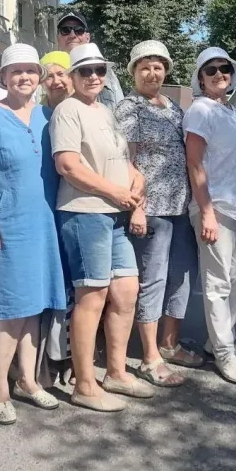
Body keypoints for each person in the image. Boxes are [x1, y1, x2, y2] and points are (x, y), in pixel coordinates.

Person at [0, 44, 67, 425]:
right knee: (10, 311)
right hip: (8, 223)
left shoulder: (48, 115)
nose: (24, 77)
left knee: (36, 307)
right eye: (16, 71)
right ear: (3, 77)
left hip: (44, 223)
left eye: (30, 70)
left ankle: (27, 380)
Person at [50, 43, 149, 411]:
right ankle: (85, 384)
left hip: (116, 214)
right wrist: (119, 193)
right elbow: (69, 166)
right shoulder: (68, 110)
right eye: (85, 71)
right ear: (73, 76)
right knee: (91, 297)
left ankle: (117, 372)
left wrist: (135, 185)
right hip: (86, 212)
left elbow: (123, 160)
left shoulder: (106, 112)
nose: (93, 76)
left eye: (98, 70)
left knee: (125, 292)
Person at [115, 41, 202, 388]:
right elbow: (128, 160)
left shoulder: (173, 107)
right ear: (133, 72)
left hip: (180, 206)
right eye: (144, 67)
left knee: (181, 277)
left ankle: (170, 343)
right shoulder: (129, 108)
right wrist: (137, 206)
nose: (152, 73)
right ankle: (150, 356)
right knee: (153, 280)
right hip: (151, 209)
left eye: (158, 66)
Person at [184, 47, 236, 385]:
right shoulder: (200, 110)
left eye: (223, 69)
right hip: (215, 209)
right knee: (217, 283)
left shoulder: (229, 111)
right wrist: (208, 212)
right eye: (210, 70)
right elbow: (195, 164)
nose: (218, 75)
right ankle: (225, 354)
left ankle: (218, 341)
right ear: (200, 78)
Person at [56, 11, 123, 110]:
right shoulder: (48, 70)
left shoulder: (105, 70)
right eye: (65, 30)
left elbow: (118, 106)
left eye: (79, 30)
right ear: (58, 38)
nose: (72, 35)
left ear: (88, 37)